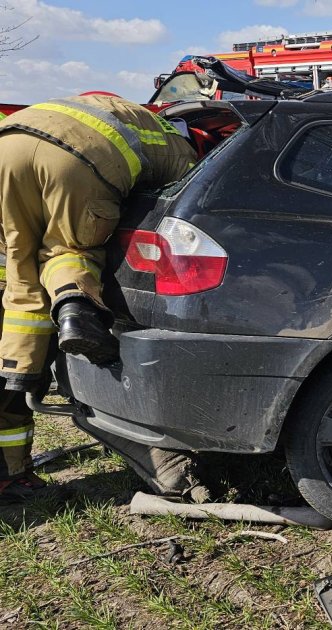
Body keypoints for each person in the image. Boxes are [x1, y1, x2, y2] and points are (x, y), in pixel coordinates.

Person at [0, 94, 197, 501]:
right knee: (72, 251)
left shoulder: (121, 109)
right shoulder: (183, 152)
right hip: (77, 167)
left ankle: (15, 371)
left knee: (21, 276)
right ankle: (77, 311)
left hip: (8, 145)